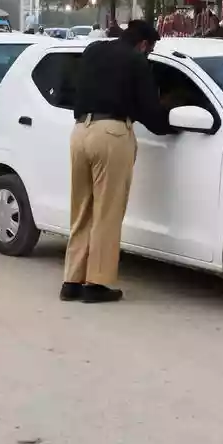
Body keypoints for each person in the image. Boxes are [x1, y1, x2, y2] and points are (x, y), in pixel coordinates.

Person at [61, 20, 174, 304]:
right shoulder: (137, 61)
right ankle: (97, 284)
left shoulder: (93, 50)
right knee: (107, 212)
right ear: (144, 44)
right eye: (150, 49)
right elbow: (149, 109)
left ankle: (72, 281)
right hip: (112, 134)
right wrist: (167, 122)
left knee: (82, 210)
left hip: (80, 131)